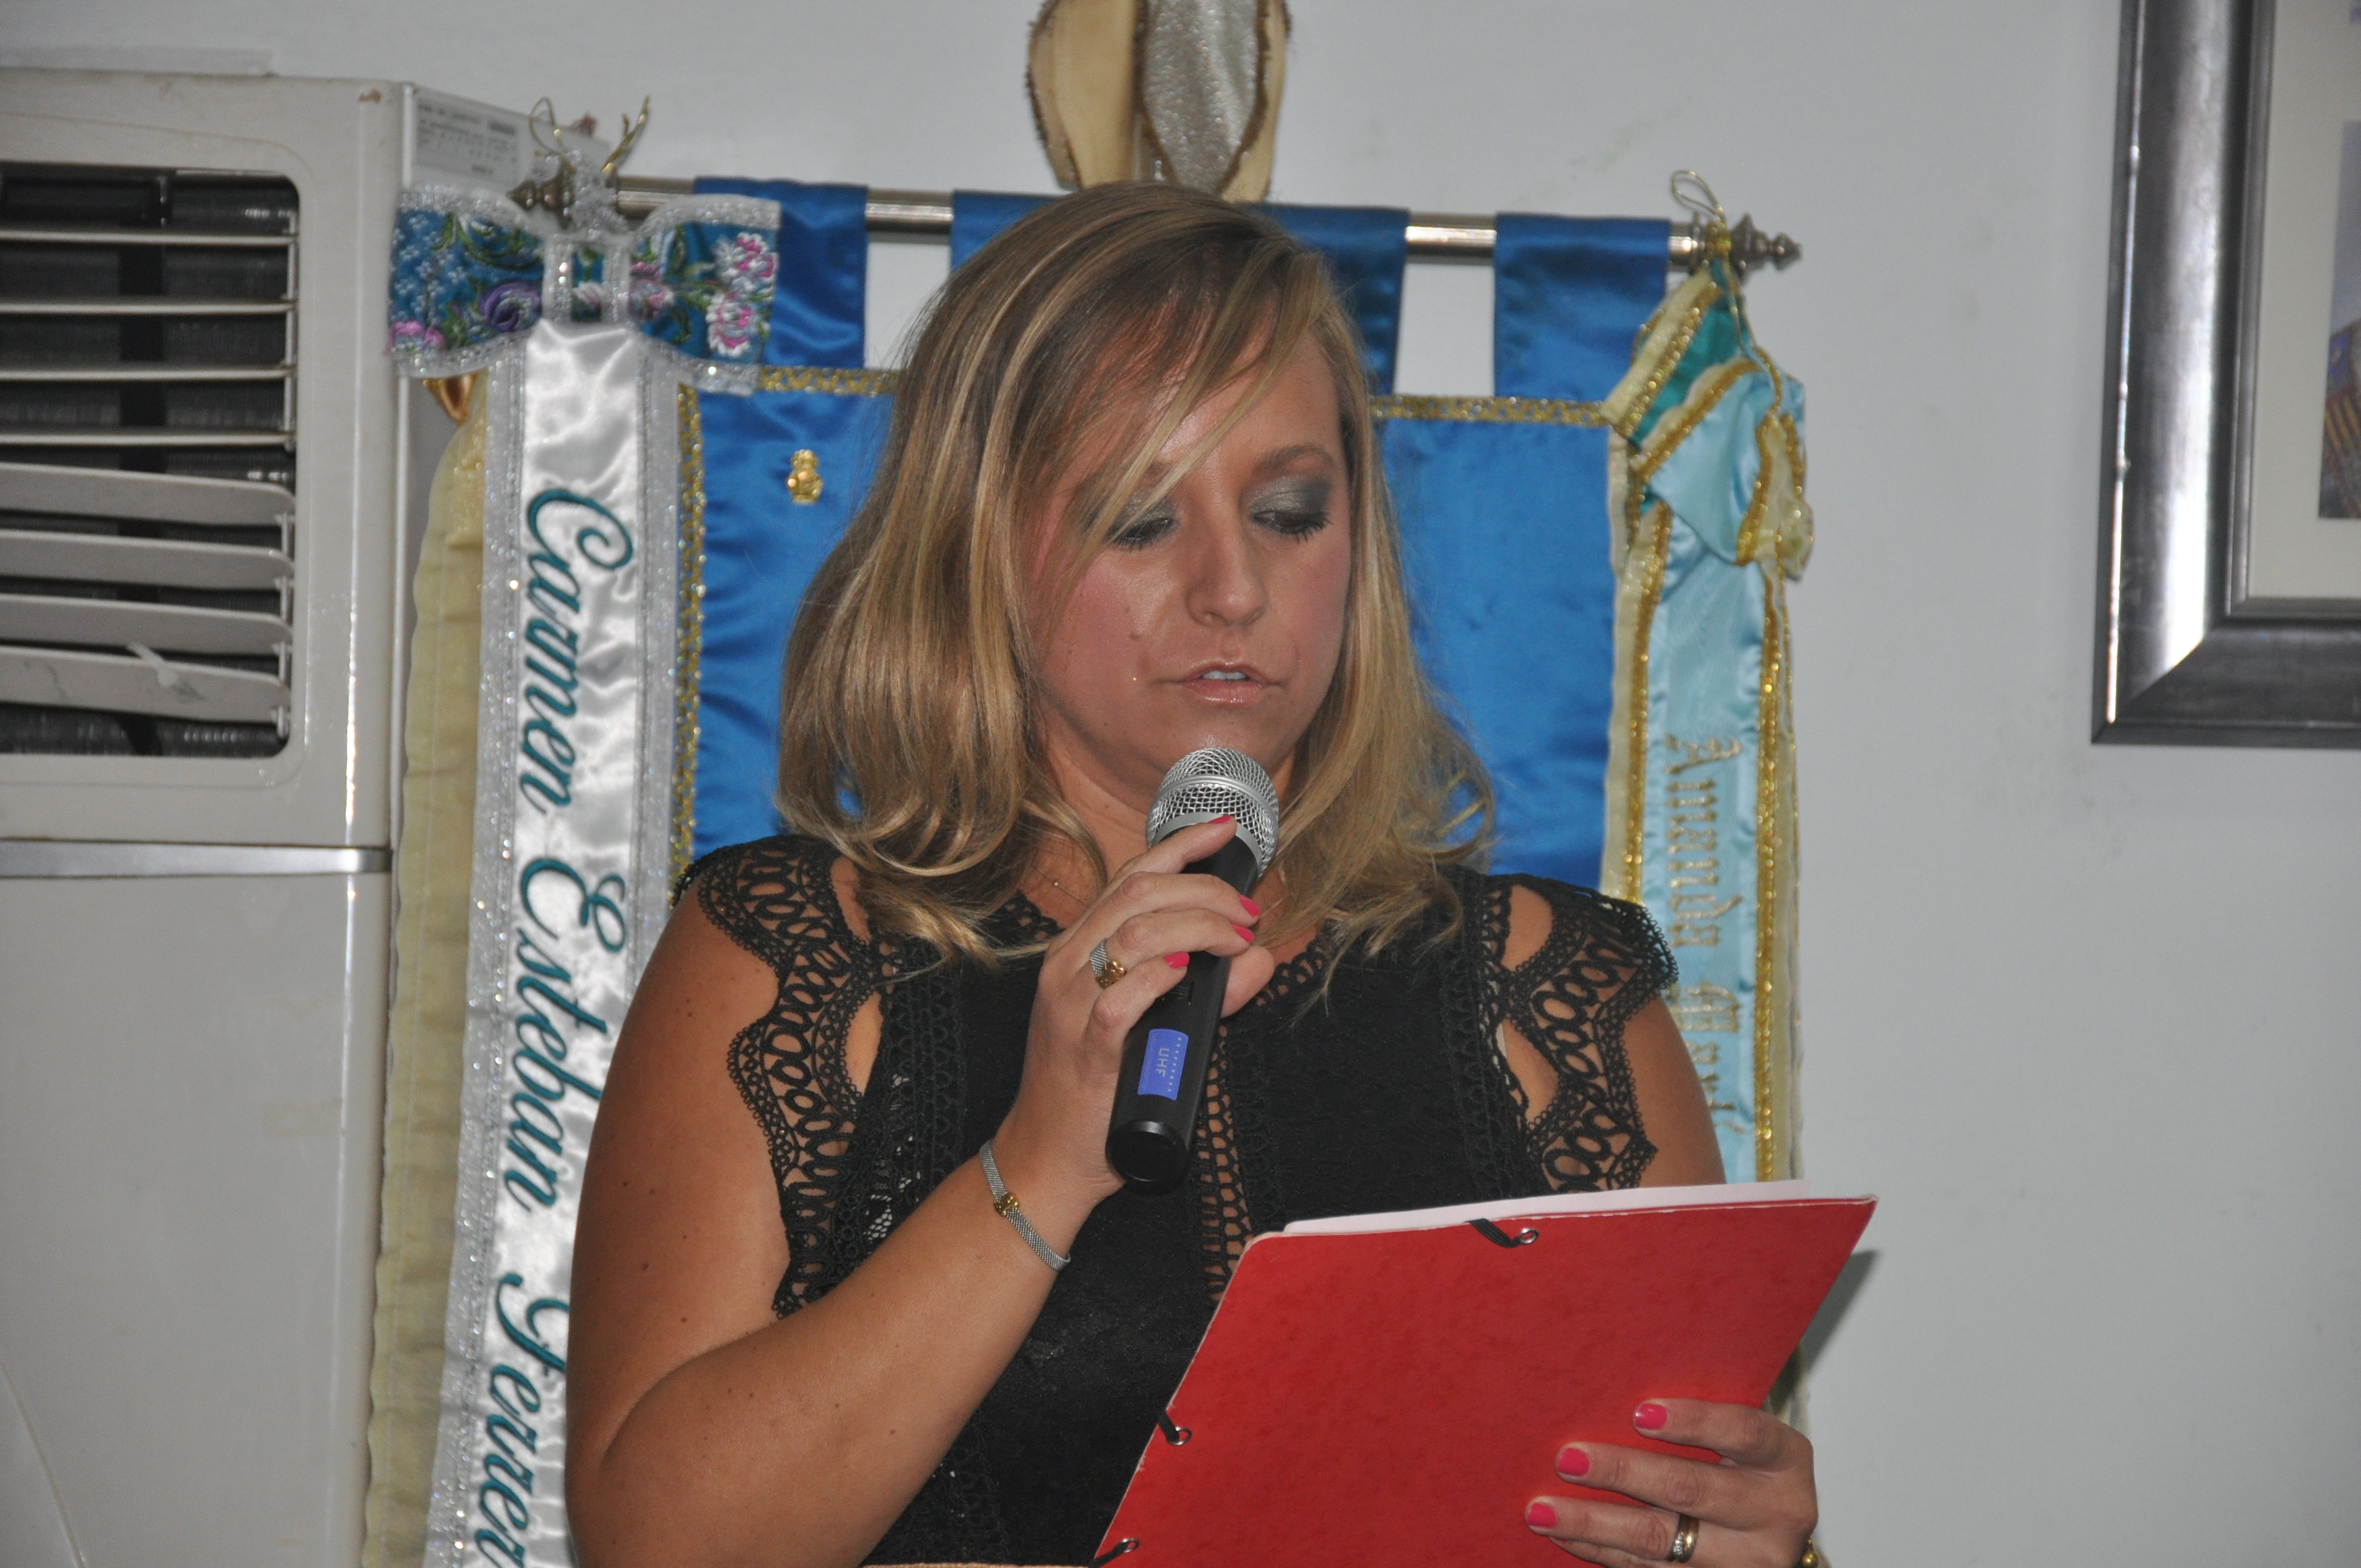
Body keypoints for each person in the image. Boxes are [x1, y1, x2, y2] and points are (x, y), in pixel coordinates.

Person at [565, 182, 1820, 1568]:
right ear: (981, 542)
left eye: (1287, 510)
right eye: (1139, 518)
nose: (1232, 587)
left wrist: (1727, 1547)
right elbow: (658, 1546)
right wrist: (1038, 1162)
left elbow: (1667, 1493)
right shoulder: (797, 947)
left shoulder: (1549, 988)